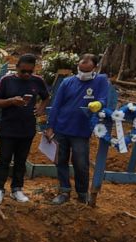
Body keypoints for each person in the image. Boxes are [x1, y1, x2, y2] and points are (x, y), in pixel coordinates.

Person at [45, 54, 109, 204]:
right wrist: (50, 126)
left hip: (81, 130)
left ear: (95, 68)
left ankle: (82, 192)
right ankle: (64, 190)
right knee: (60, 161)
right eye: (80, 69)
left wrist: (98, 104)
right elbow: (56, 105)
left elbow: (104, 99)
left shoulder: (100, 81)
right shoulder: (67, 82)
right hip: (61, 128)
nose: (83, 73)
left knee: (81, 163)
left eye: (87, 70)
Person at [0, 53, 50, 204]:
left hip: (27, 127)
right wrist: (10, 101)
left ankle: (17, 188)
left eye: (30, 72)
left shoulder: (37, 81)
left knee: (21, 160)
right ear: (17, 67)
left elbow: (46, 96)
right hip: (8, 126)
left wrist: (41, 108)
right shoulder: (7, 80)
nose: (26, 74)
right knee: (4, 159)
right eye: (23, 71)